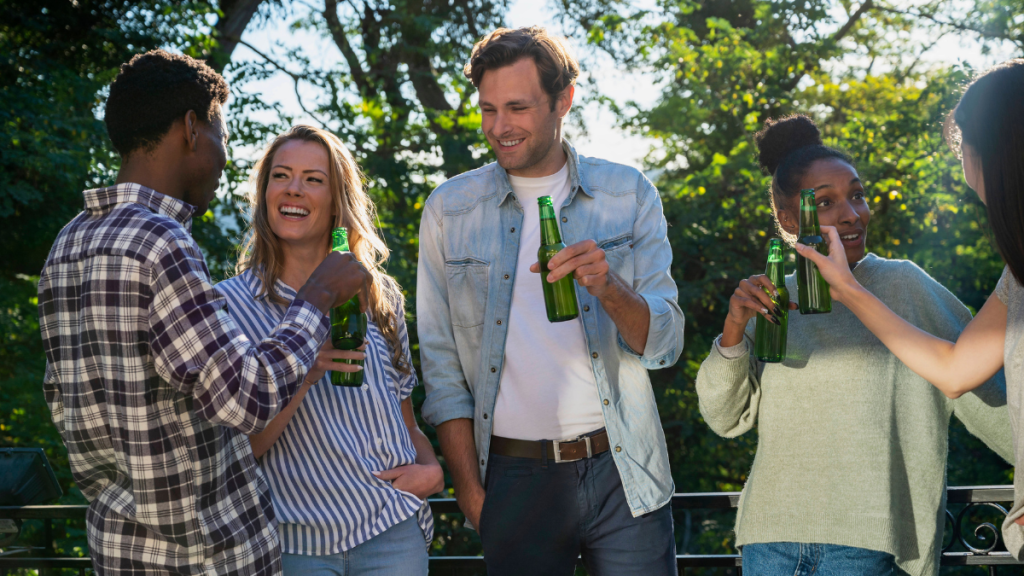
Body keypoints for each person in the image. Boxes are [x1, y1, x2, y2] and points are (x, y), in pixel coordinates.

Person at [37, 51, 368, 575]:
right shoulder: (160, 241)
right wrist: (317, 297)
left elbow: (65, 403)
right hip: (205, 556)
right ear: (191, 130)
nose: (223, 159)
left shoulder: (69, 243)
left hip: (120, 552)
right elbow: (247, 397)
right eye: (221, 138)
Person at [416, 26, 685, 576]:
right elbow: (442, 369)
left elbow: (666, 344)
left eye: (517, 107)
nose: (499, 127)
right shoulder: (449, 210)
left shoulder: (627, 194)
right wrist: (470, 492)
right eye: (488, 109)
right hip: (515, 477)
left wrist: (609, 287)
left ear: (563, 100)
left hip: (623, 468)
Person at [694, 114, 1013, 576]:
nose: (852, 213)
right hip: (770, 542)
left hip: (871, 545)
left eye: (858, 195)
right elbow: (726, 419)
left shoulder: (904, 286)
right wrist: (731, 331)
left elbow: (989, 390)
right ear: (789, 219)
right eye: (826, 202)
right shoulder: (772, 297)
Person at [793, 60, 1024, 558]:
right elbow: (955, 369)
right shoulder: (1017, 275)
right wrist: (848, 289)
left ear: (997, 152)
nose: (963, 168)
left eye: (963, 149)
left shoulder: (909, 280)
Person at [216, 125, 443, 575]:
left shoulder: (380, 297)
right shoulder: (227, 305)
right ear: (264, 193)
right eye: (280, 176)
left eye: (313, 179)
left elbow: (404, 420)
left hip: (391, 530)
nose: (294, 189)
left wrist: (432, 469)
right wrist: (305, 368)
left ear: (337, 199)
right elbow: (239, 450)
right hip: (295, 542)